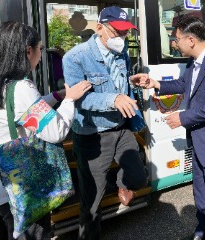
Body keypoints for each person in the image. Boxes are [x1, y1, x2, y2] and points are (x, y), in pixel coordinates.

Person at [0, 21, 91, 240]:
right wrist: (70, 100)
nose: (41, 54)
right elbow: (55, 131)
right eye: (40, 49)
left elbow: (18, 113)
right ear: (27, 51)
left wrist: (57, 95)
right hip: (24, 187)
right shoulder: (22, 88)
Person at [134, 17, 205, 240]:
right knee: (201, 195)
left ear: (191, 40)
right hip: (200, 142)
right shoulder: (194, 62)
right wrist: (155, 83)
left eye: (176, 38)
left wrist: (183, 117)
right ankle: (203, 231)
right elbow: (184, 85)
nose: (174, 43)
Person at [62, 6, 149, 240]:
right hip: (93, 135)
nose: (122, 38)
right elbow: (79, 100)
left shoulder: (122, 53)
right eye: (117, 31)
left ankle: (122, 184)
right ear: (100, 27)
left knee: (138, 177)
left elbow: (118, 83)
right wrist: (114, 98)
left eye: (125, 32)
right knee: (92, 203)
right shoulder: (75, 57)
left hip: (121, 129)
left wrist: (130, 83)